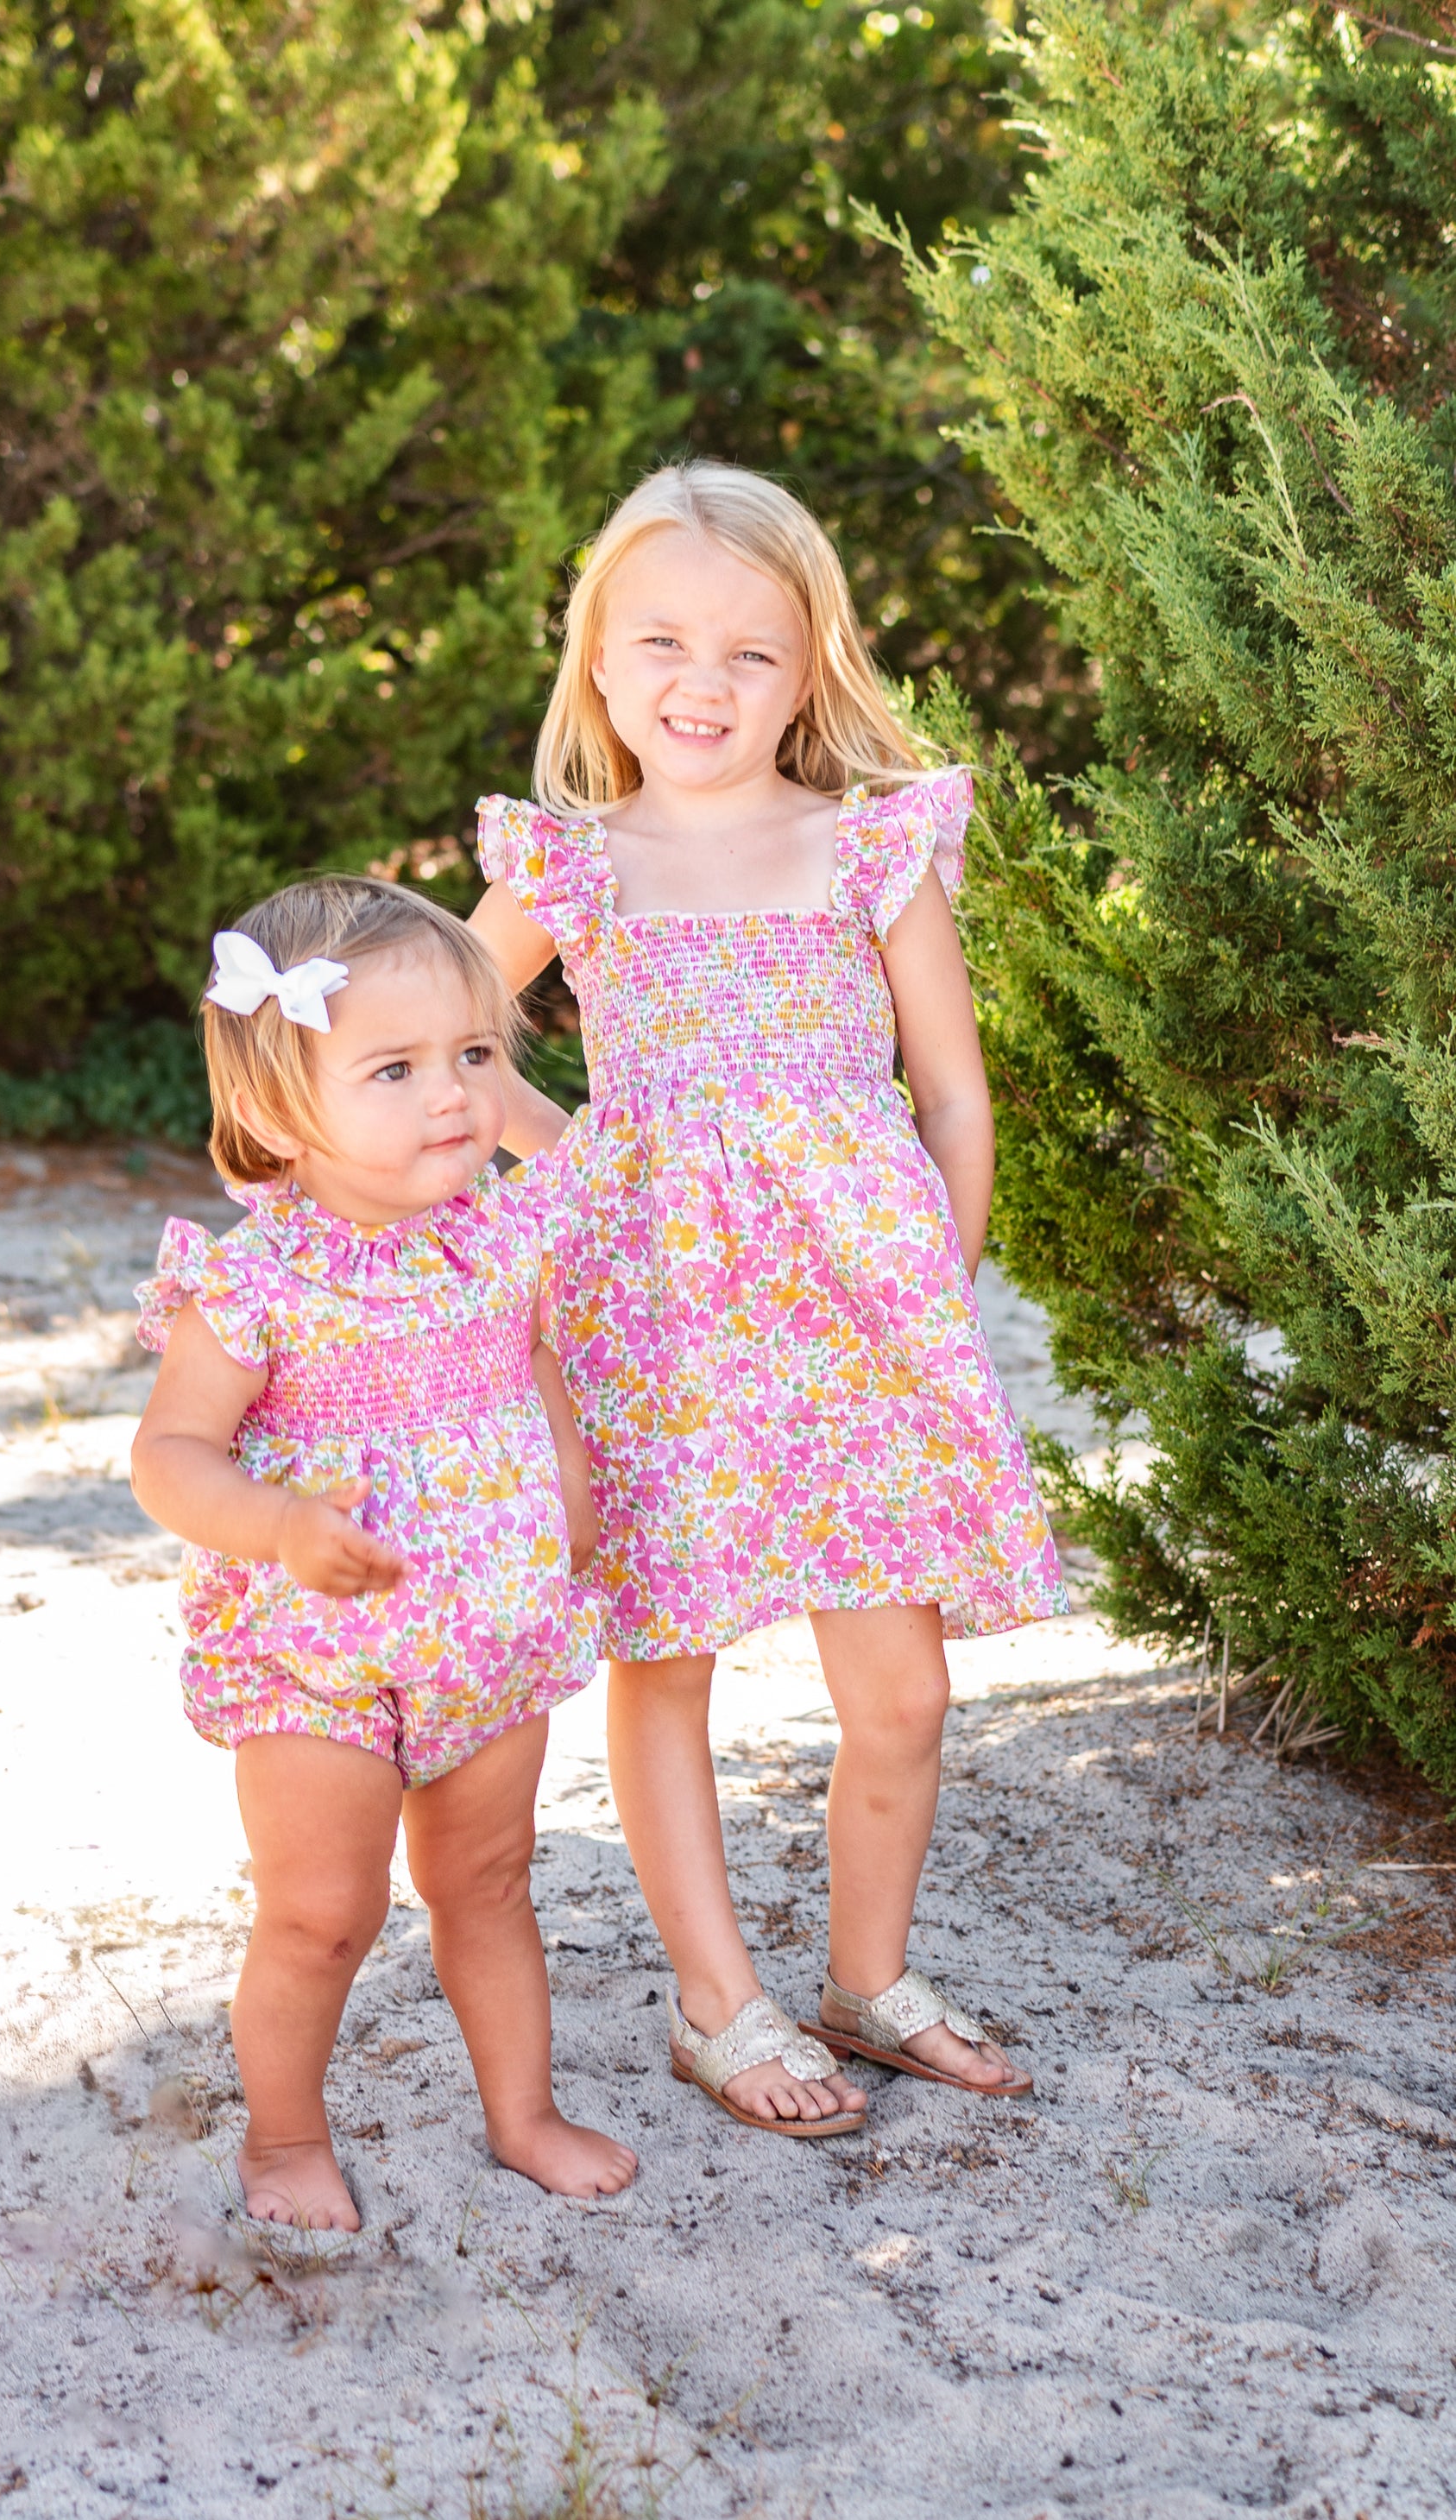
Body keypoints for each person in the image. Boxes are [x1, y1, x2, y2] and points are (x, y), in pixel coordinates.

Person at [469, 461, 1067, 2138]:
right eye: (660, 642)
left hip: (860, 1327)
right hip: (655, 1321)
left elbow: (952, 1093)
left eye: (748, 651)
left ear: (808, 670)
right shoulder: (573, 864)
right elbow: (443, 1034)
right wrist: (583, 1156)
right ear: (598, 662)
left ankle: (866, 1979)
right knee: (667, 1658)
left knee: (902, 1690)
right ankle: (715, 2002)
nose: (701, 683)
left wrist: (933, 1285)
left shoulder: (867, 845)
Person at [129, 877, 638, 2229]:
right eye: (395, 1069)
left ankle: (522, 2113)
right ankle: (285, 2138)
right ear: (278, 1105)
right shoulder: (252, 1281)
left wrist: (571, 1490)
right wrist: (283, 1526)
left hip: (492, 1633)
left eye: (472, 1053)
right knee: (322, 1911)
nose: (452, 1096)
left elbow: (534, 1367)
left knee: (489, 1883)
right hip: (316, 1657)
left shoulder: (505, 1233)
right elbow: (168, 1455)